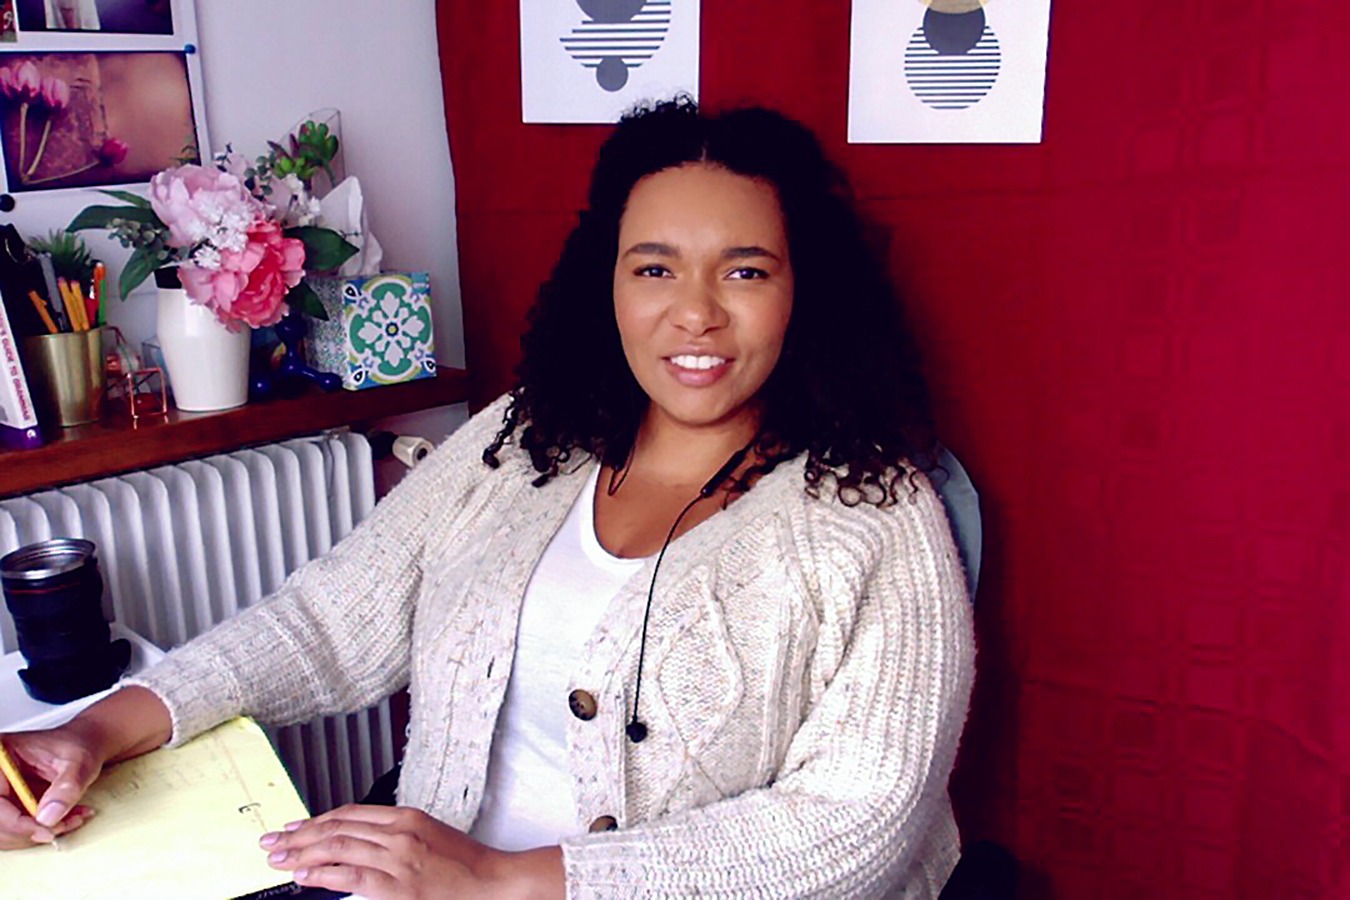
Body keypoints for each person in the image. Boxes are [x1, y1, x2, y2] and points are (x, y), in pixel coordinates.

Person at [0, 97, 975, 898]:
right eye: (655, 268)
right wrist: (90, 731)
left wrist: (503, 879)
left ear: (807, 292)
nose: (695, 311)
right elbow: (328, 622)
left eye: (747, 271)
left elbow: (855, 831)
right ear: (610, 285)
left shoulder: (875, 515)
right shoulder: (525, 440)